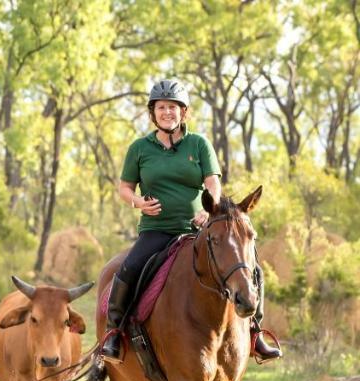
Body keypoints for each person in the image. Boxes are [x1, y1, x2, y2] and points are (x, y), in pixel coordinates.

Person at [103, 79, 281, 363]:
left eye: (173, 107)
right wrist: (137, 202)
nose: (167, 112)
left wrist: (208, 210)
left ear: (183, 112)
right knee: (130, 267)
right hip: (157, 230)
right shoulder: (140, 148)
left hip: (199, 230)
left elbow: (213, 183)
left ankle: (255, 334)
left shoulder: (199, 144)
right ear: (153, 113)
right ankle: (113, 334)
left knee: (252, 267)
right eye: (161, 107)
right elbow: (124, 187)